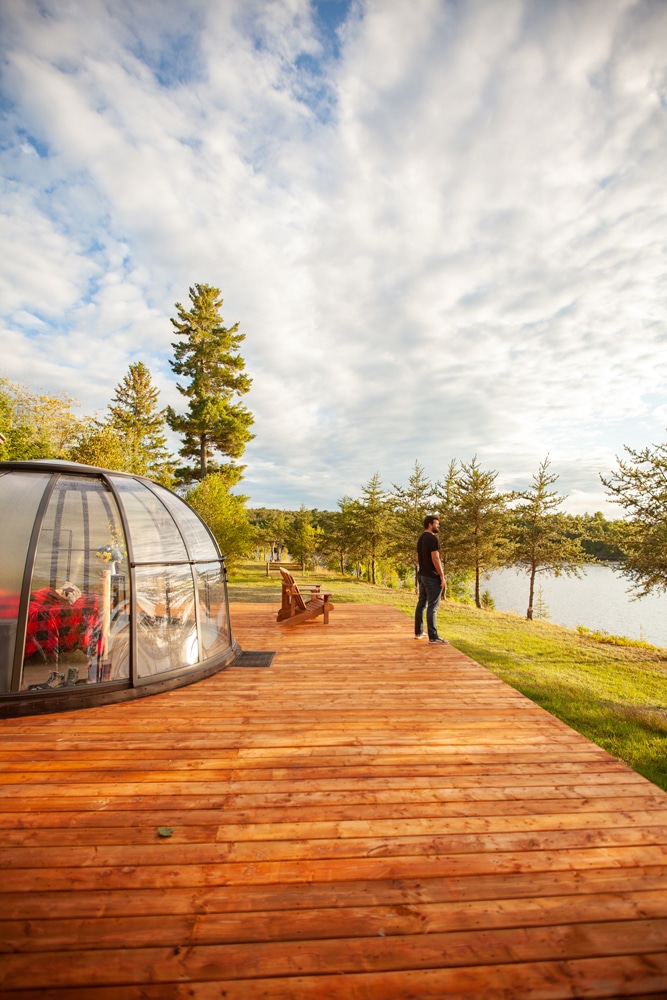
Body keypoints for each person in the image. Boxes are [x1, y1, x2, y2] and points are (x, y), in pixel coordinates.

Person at [415, 514, 448, 644]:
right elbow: (435, 558)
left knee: (421, 603)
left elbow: (418, 556)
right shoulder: (433, 539)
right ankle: (433, 637)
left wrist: (424, 567)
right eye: (436, 523)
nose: (438, 526)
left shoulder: (421, 538)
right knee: (433, 606)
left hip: (422, 575)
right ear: (430, 524)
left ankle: (418, 632)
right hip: (431, 577)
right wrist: (441, 575)